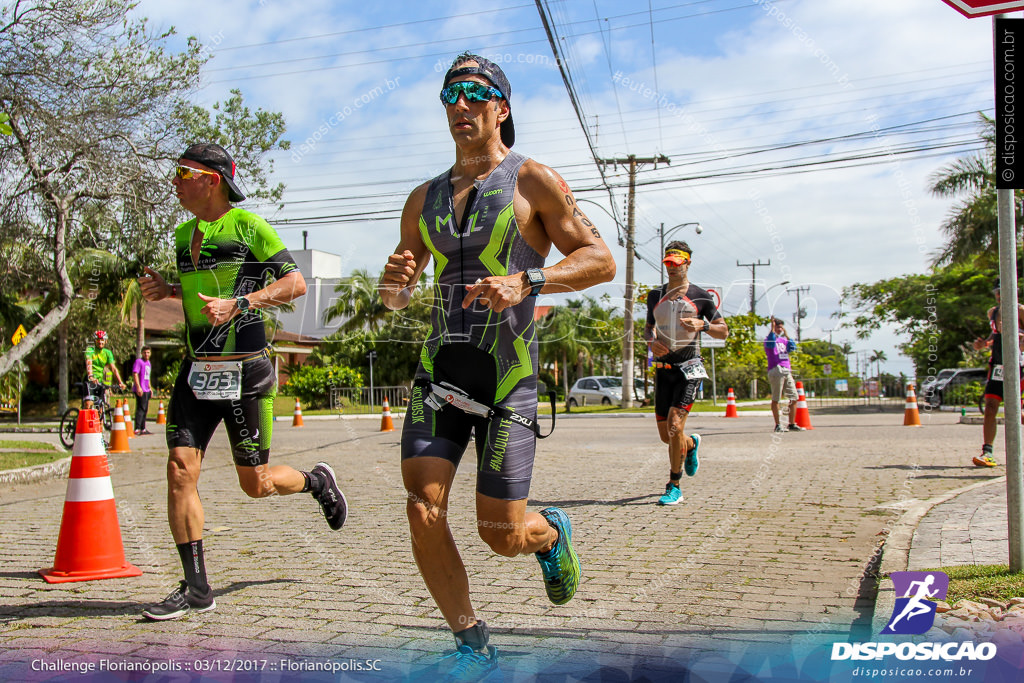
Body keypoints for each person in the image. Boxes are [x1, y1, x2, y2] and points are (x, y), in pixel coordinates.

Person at [378, 53, 615, 679]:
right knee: (422, 504)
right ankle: (471, 639)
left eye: (474, 92)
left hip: (507, 378)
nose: (460, 103)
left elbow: (600, 259)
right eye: (449, 93)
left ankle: (550, 532)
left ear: (500, 108)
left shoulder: (533, 180)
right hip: (441, 375)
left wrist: (528, 279)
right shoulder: (422, 198)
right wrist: (394, 286)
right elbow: (399, 290)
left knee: (499, 534)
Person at [137, 143, 348, 621]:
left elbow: (295, 283)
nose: (174, 181)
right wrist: (168, 290)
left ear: (211, 179)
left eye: (182, 172)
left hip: (244, 374)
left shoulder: (249, 226)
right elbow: (198, 291)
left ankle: (317, 482)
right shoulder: (182, 234)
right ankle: (196, 588)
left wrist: (242, 303)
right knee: (179, 470)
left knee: (255, 485)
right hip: (196, 373)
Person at [644, 242, 728, 506]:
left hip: (689, 369)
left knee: (674, 427)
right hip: (663, 370)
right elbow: (648, 327)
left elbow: (723, 330)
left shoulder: (701, 296)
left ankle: (674, 485)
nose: (671, 268)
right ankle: (690, 445)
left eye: (676, 263)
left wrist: (703, 325)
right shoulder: (654, 295)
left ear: (687, 263)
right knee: (667, 435)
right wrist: (650, 341)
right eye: (667, 263)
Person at [971, 279, 1024, 468]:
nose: (1001, 295)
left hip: (1018, 365)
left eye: (1004, 290)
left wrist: (1019, 338)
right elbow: (994, 336)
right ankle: (988, 452)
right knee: (990, 408)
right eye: (998, 292)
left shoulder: (1020, 311)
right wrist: (983, 343)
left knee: (1018, 412)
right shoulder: (992, 312)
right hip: (998, 365)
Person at [764, 317, 803, 433]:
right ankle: (778, 424)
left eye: (781, 327)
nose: (779, 329)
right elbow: (771, 344)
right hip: (776, 370)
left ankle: (791, 423)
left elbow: (793, 347)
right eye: (777, 327)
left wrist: (786, 334)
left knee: (794, 397)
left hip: (787, 370)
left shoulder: (783, 340)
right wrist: (772, 328)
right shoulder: (769, 339)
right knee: (776, 398)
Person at [83, 330, 126, 407]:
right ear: (95, 341)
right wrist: (91, 376)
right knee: (88, 404)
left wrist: (120, 382)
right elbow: (89, 363)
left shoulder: (107, 353)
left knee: (101, 406)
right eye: (98, 340)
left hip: (99, 381)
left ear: (106, 341)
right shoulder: (90, 350)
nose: (100, 342)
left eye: (102, 340)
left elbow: (114, 369)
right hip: (89, 380)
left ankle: (102, 419)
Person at [132, 346, 153, 435]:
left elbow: (147, 377)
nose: (146, 354)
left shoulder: (148, 363)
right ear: (141, 353)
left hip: (146, 389)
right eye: (145, 352)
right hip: (140, 389)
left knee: (145, 409)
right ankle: (137, 428)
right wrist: (138, 387)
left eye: (148, 352)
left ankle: (143, 428)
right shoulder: (138, 362)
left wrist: (150, 388)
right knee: (140, 408)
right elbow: (135, 374)